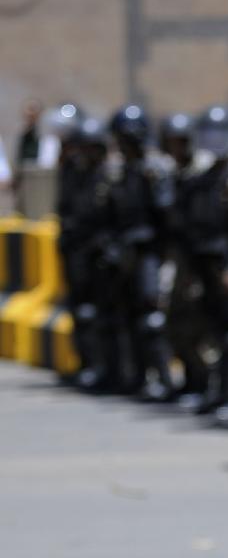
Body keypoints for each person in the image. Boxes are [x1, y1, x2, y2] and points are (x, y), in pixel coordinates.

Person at [166, 105, 228, 427]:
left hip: (223, 264)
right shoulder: (201, 180)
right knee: (209, 330)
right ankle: (216, 391)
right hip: (201, 264)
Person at [105, 104, 177, 400]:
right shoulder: (122, 172)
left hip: (151, 252)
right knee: (128, 315)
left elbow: (166, 215)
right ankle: (137, 375)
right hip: (128, 252)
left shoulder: (154, 170)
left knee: (152, 319)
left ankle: (164, 379)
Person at [57, 117, 114, 390]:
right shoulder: (73, 172)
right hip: (78, 251)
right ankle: (88, 364)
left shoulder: (109, 175)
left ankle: (108, 368)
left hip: (99, 253)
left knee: (102, 313)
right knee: (81, 311)